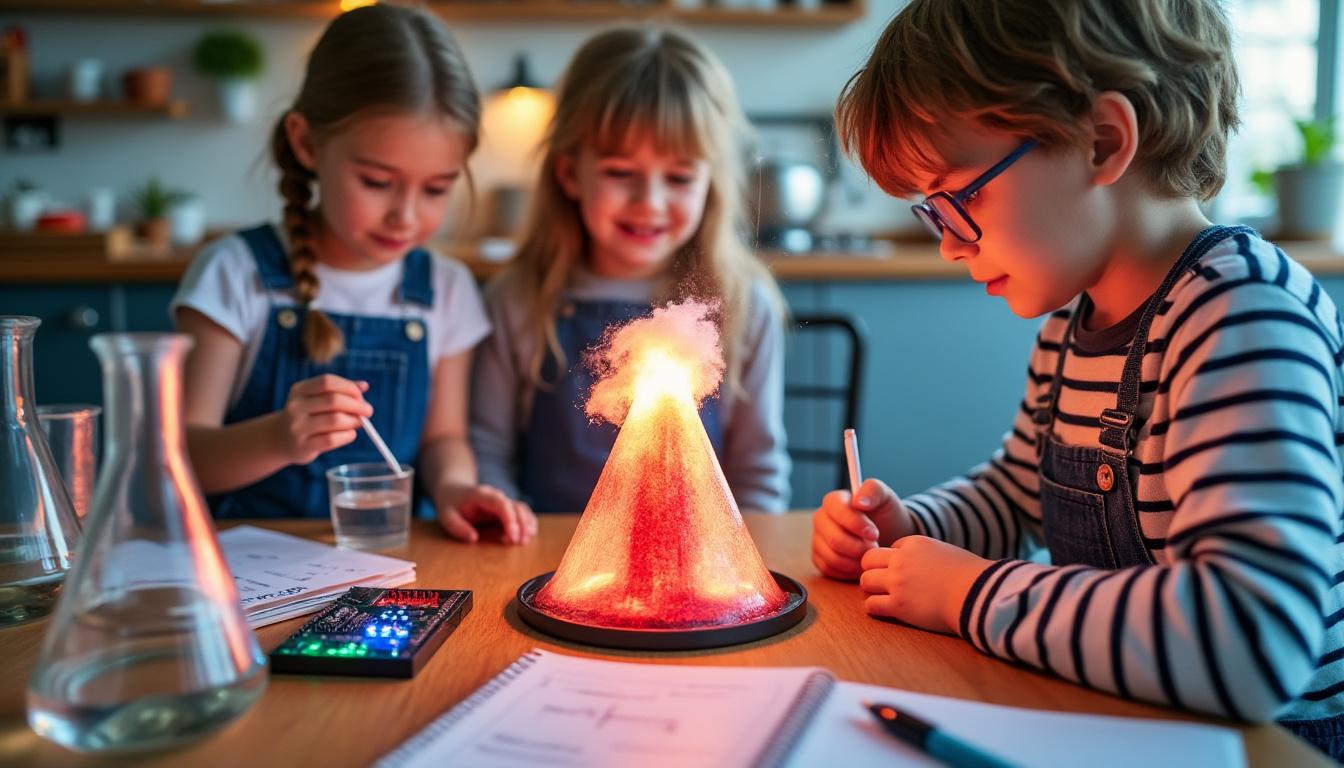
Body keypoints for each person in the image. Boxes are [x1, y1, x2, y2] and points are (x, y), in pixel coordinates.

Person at [811, 0, 1344, 757]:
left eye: (961, 199)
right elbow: (1018, 492)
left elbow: (1252, 641)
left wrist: (967, 593)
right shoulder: (1072, 328)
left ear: (1102, 141)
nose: (950, 247)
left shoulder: (1240, 317)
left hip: (1268, 744)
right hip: (1128, 719)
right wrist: (913, 530)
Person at [172, 5, 535, 545]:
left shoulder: (447, 288)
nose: (406, 216)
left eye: (436, 189)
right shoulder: (233, 272)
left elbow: (444, 439)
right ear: (306, 144)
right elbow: (180, 457)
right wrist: (277, 438)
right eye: (376, 181)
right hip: (244, 572)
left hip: (390, 565)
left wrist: (458, 488)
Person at [471, 27, 790, 515]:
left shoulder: (745, 302)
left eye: (679, 177)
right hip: (549, 565)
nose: (650, 203)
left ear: (712, 183)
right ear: (568, 173)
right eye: (620, 173)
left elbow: (758, 477)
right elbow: (487, 454)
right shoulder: (517, 299)